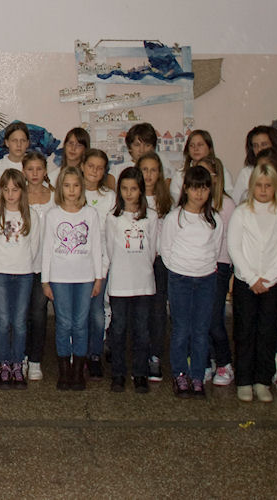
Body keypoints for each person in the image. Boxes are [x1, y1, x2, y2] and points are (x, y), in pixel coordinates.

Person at [228, 163, 277, 403]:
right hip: (246, 282)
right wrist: (252, 278)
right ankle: (244, 381)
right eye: (259, 185)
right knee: (244, 331)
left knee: (267, 332)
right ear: (252, 186)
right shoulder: (241, 213)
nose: (264, 190)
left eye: (268, 185)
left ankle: (262, 381)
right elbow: (234, 247)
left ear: (275, 187)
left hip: (272, 284)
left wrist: (268, 278)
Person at [160, 166, 224, 398]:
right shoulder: (175, 218)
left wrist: (203, 268)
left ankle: (197, 376)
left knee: (200, 330)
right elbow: (166, 249)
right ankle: (180, 374)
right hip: (180, 279)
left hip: (206, 279)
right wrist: (181, 268)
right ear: (186, 189)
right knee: (181, 329)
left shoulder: (214, 219)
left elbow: (216, 247)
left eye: (204, 189)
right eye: (195, 188)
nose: (199, 194)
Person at [42, 166, 103, 390]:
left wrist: (98, 278)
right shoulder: (53, 215)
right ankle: (64, 371)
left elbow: (96, 247)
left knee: (80, 324)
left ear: (81, 188)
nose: (71, 190)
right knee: (64, 323)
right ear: (60, 188)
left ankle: (78, 371)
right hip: (60, 278)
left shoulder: (90, 214)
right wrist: (45, 280)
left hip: (85, 277)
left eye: (76, 185)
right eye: (67, 185)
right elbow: (47, 249)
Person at [0, 169, 41, 389]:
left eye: (15, 189)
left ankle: (17, 363)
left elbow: (34, 246)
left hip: (23, 273)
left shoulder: (31, 215)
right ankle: (4, 364)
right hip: (0, 271)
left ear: (22, 191)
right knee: (2, 321)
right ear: (1, 190)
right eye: (6, 189)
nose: (10, 194)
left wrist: (25, 266)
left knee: (19, 322)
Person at [104, 167, 157, 393]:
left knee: (142, 330)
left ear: (140, 190)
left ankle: (140, 373)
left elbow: (152, 250)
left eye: (133, 189)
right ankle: (118, 373)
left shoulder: (151, 217)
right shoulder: (113, 218)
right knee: (118, 329)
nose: (128, 193)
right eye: (124, 188)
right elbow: (110, 249)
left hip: (143, 283)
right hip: (120, 283)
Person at [197, 157, 236, 386]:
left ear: (216, 178)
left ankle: (224, 362)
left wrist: (229, 271)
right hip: (197, 266)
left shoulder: (227, 205)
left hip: (219, 266)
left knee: (214, 319)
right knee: (200, 319)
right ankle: (205, 361)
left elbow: (231, 239)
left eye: (207, 174)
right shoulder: (193, 203)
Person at [137, 152, 172, 382]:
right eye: (144, 170)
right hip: (136, 261)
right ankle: (138, 356)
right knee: (139, 312)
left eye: (153, 170)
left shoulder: (167, 201)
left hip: (159, 262)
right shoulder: (131, 198)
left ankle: (155, 356)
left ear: (159, 173)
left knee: (158, 311)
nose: (148, 175)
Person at [81, 149, 114, 379]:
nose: (94, 171)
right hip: (76, 261)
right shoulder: (73, 190)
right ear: (83, 166)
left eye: (99, 167)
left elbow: (110, 234)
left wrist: (104, 267)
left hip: (100, 261)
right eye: (91, 165)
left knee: (97, 312)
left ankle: (94, 354)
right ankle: (78, 353)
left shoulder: (109, 197)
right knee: (79, 312)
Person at [23, 151, 56, 381]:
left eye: (39, 169)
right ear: (24, 171)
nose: (35, 174)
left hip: (47, 265)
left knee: (38, 312)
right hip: (23, 264)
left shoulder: (55, 196)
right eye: (30, 169)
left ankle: (35, 359)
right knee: (21, 314)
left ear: (45, 171)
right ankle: (22, 355)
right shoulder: (17, 195)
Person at [174, 129, 234, 200]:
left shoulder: (221, 171)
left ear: (209, 148)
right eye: (191, 145)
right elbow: (175, 201)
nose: (196, 149)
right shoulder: (180, 174)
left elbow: (229, 196)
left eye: (200, 145)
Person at [0, 122, 31, 186]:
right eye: (14, 140)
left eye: (23, 141)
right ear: (7, 142)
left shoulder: (36, 166)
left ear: (27, 143)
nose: (19, 145)